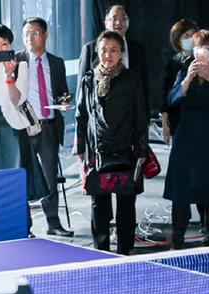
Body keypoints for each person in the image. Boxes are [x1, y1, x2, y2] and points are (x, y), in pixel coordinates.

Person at [0, 23, 48, 238]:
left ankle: (24, 229)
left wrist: (8, 75)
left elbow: (17, 100)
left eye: (4, 44)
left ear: (11, 46)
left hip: (13, 129)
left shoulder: (20, 67)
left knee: (17, 181)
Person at [75, 31, 148, 255]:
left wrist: (142, 150)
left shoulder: (132, 80)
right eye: (104, 50)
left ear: (121, 53)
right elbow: (81, 115)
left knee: (126, 203)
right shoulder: (89, 80)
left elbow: (140, 117)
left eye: (113, 50)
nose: (108, 55)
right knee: (99, 204)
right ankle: (101, 252)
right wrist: (80, 147)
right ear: (98, 52)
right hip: (97, 150)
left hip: (126, 148)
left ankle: (124, 250)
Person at [164, 30, 209, 249]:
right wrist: (188, 79)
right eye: (200, 48)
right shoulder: (184, 71)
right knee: (180, 192)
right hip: (186, 140)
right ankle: (177, 240)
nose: (204, 53)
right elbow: (171, 99)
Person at [16, 17, 74, 237]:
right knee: (25, 178)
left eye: (35, 33)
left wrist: (63, 100)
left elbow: (61, 91)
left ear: (45, 35)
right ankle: (25, 227)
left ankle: (53, 223)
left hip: (49, 127)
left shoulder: (56, 63)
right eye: (26, 34)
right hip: (25, 128)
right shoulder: (17, 61)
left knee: (50, 178)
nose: (30, 38)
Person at [77, 5, 149, 118]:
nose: (118, 22)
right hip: (100, 117)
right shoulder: (90, 49)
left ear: (128, 23)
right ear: (106, 23)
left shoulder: (138, 49)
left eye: (123, 18)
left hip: (130, 116)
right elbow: (82, 90)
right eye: (114, 18)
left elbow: (144, 86)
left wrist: (146, 118)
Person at [161, 19, 198, 145]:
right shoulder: (173, 62)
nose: (190, 38)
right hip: (177, 118)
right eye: (186, 35)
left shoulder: (203, 60)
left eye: (193, 34)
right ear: (178, 40)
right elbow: (166, 93)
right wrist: (165, 122)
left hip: (197, 117)